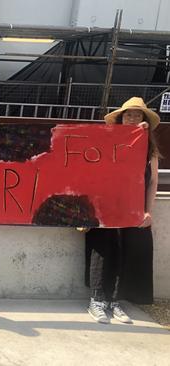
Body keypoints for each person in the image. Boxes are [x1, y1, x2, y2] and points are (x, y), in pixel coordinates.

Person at [85, 97, 160, 324]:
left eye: (138, 115)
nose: (133, 118)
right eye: (128, 115)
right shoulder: (106, 142)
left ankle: (114, 300)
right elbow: (92, 174)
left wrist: (148, 211)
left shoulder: (149, 150)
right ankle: (97, 300)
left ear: (144, 120)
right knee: (102, 250)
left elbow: (153, 181)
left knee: (124, 252)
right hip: (105, 207)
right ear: (120, 119)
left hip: (133, 210)